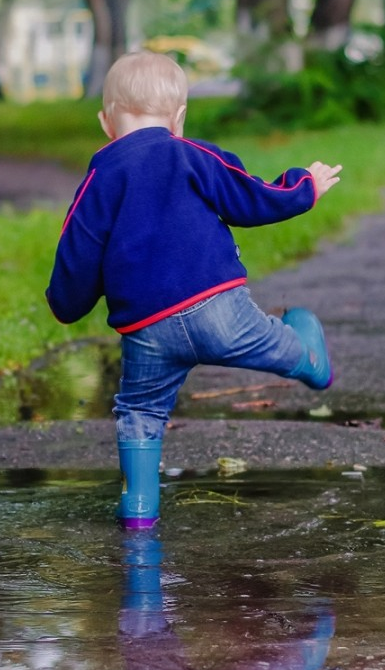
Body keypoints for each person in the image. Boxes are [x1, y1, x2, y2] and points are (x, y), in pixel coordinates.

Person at [46, 51, 342, 529]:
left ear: (106, 122)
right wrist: (303, 186)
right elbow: (248, 194)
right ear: (178, 118)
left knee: (140, 409)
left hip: (147, 329)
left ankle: (140, 505)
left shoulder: (99, 178)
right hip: (219, 311)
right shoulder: (192, 154)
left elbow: (79, 250)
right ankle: (308, 359)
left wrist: (65, 304)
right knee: (272, 343)